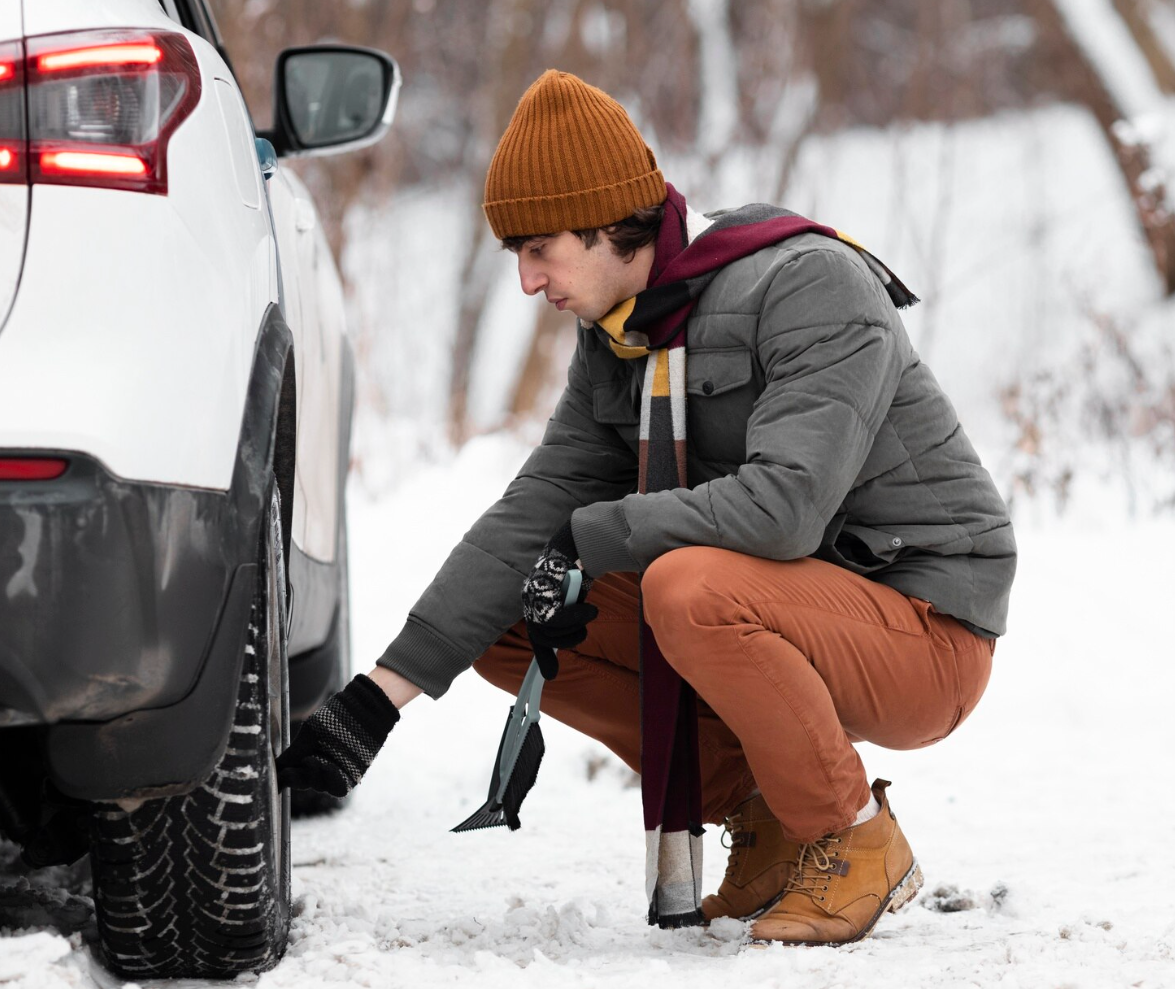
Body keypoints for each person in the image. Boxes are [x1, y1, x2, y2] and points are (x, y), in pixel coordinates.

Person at [279, 70, 1017, 947]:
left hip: (924, 627)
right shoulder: (623, 333)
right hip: (790, 604)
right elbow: (536, 511)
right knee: (520, 611)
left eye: (539, 248)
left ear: (605, 223)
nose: (527, 280)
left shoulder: (808, 284)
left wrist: (597, 534)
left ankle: (852, 836)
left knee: (686, 587)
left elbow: (784, 510)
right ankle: (767, 816)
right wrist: (377, 699)